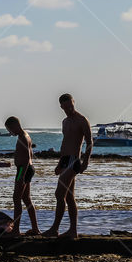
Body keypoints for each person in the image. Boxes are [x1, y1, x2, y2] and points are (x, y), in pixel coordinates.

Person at [43, 94, 92, 240]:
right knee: (69, 197)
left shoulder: (82, 120)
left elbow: (89, 142)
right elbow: (65, 143)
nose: (69, 108)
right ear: (61, 107)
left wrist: (86, 161)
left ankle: (55, 229)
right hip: (65, 160)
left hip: (74, 160)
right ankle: (73, 230)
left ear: (73, 102)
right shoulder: (64, 122)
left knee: (59, 194)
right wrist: (59, 163)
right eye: (66, 106)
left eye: (71, 105)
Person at [4, 116, 41, 236]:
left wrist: (21, 176)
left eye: (10, 130)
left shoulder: (23, 138)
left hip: (23, 169)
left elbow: (25, 160)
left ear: (15, 126)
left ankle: (16, 230)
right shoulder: (25, 135)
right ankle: (35, 228)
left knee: (16, 199)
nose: (10, 132)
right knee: (26, 199)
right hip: (28, 169)